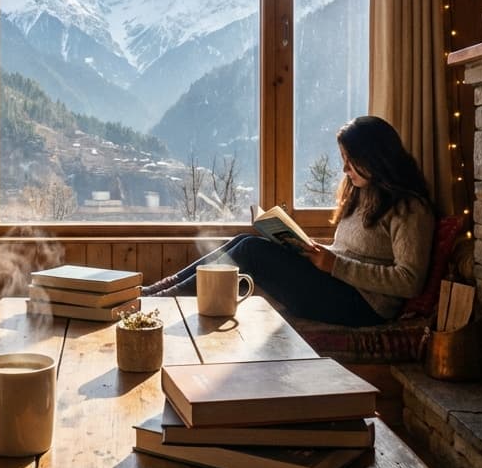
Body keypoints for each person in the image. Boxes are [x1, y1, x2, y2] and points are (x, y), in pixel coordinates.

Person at [143, 115, 436, 326]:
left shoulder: (410, 209)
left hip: (364, 306)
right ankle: (160, 290)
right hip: (339, 285)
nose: (345, 169)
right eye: (343, 159)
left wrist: (335, 265)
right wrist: (309, 250)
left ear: (376, 158)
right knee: (244, 240)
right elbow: (349, 254)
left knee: (251, 251)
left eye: (351, 160)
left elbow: (409, 281)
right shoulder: (364, 195)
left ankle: (161, 298)